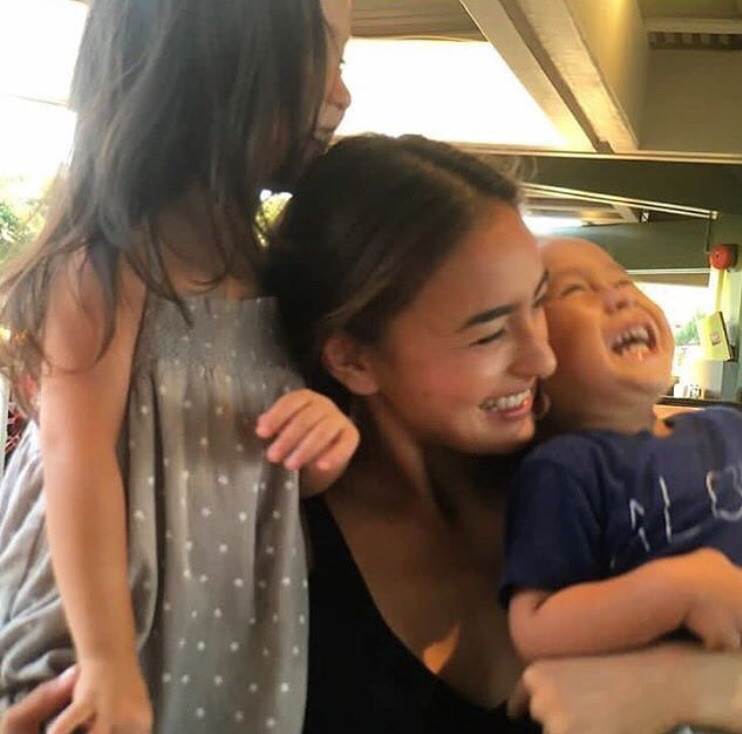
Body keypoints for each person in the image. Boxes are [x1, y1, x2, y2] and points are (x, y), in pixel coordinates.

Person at [268, 134, 742, 734]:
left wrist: (694, 686)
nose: (541, 358)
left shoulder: (588, 477)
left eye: (538, 304)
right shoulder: (290, 539)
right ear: (354, 361)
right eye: (489, 333)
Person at [0, 1, 354, 733]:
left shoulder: (270, 273)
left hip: (220, 617)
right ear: (214, 66)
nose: (342, 94)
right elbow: (75, 454)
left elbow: (260, 469)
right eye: (326, 57)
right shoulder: (112, 261)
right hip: (96, 615)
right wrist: (105, 658)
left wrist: (323, 446)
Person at [501, 237, 742, 661]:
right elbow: (533, 627)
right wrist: (681, 590)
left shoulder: (726, 425)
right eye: (576, 290)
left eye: (623, 280)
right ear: (534, 365)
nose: (620, 296)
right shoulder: (566, 470)